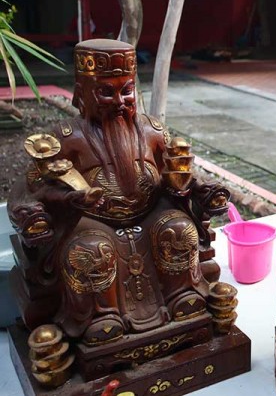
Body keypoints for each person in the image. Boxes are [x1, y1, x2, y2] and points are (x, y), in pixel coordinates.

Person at [9, 39, 229, 346]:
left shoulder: (152, 130)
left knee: (178, 230)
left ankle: (182, 295)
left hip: (150, 212)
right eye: (106, 92)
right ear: (82, 92)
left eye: (126, 90)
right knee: (91, 250)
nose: (120, 101)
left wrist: (198, 188)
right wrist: (66, 200)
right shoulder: (65, 139)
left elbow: (177, 173)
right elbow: (30, 187)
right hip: (90, 219)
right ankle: (100, 316)